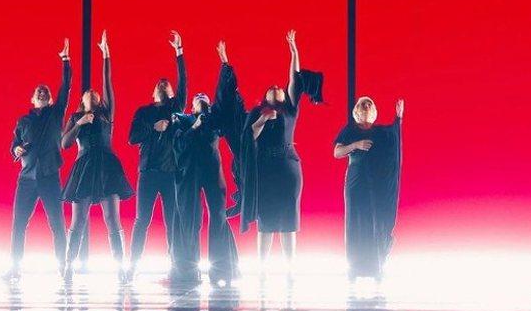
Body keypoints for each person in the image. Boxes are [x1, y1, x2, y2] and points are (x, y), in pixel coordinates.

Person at [217, 32, 324, 279]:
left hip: (288, 169)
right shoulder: (257, 114)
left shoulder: (290, 109)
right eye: (271, 88)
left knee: (288, 221)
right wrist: (262, 120)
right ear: (265, 97)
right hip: (264, 171)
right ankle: (262, 269)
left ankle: (290, 270)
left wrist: (294, 50)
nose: (276, 87)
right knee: (265, 221)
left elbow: (294, 79)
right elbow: (248, 138)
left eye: (279, 88)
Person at [61, 30, 134, 283]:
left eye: (95, 93)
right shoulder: (75, 117)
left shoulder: (106, 114)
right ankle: (68, 266)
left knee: (112, 219)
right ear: (82, 100)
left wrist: (106, 55)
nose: (92, 93)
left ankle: (121, 268)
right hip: (83, 167)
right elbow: (64, 143)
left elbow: (108, 84)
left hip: (107, 167)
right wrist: (79, 123)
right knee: (78, 221)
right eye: (88, 93)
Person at [6, 39, 72, 281]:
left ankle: (64, 267)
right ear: (33, 99)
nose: (42, 92)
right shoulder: (23, 121)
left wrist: (65, 60)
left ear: (50, 99)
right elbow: (13, 145)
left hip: (49, 177)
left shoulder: (55, 114)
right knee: (19, 224)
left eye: (46, 91)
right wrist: (16, 149)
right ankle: (15, 268)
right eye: (38, 92)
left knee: (57, 224)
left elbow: (66, 87)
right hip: (26, 179)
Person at [127, 31, 188, 279]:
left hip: (171, 173)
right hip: (148, 173)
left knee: (172, 220)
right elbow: (132, 138)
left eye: (167, 84)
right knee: (142, 220)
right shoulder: (143, 112)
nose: (164, 84)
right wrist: (153, 128)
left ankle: (175, 265)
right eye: (159, 84)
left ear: (171, 93)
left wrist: (179, 52)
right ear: (154, 93)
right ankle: (131, 267)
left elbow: (184, 83)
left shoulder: (176, 108)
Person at [169, 85, 240, 286]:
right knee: (189, 219)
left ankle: (222, 270)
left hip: (212, 171)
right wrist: (194, 126)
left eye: (204, 96)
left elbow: (228, 118)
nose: (200, 95)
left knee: (218, 215)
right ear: (191, 106)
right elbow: (178, 145)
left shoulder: (215, 120)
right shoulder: (182, 119)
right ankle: (187, 272)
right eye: (197, 96)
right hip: (189, 172)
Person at [333, 97, 404, 281]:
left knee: (374, 221)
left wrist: (398, 118)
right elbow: (337, 152)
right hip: (356, 183)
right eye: (363, 105)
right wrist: (355, 145)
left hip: (376, 184)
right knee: (355, 221)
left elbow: (394, 138)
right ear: (357, 110)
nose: (366, 107)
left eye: (369, 105)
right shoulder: (350, 129)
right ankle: (354, 267)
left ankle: (375, 265)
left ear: (373, 111)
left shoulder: (380, 132)